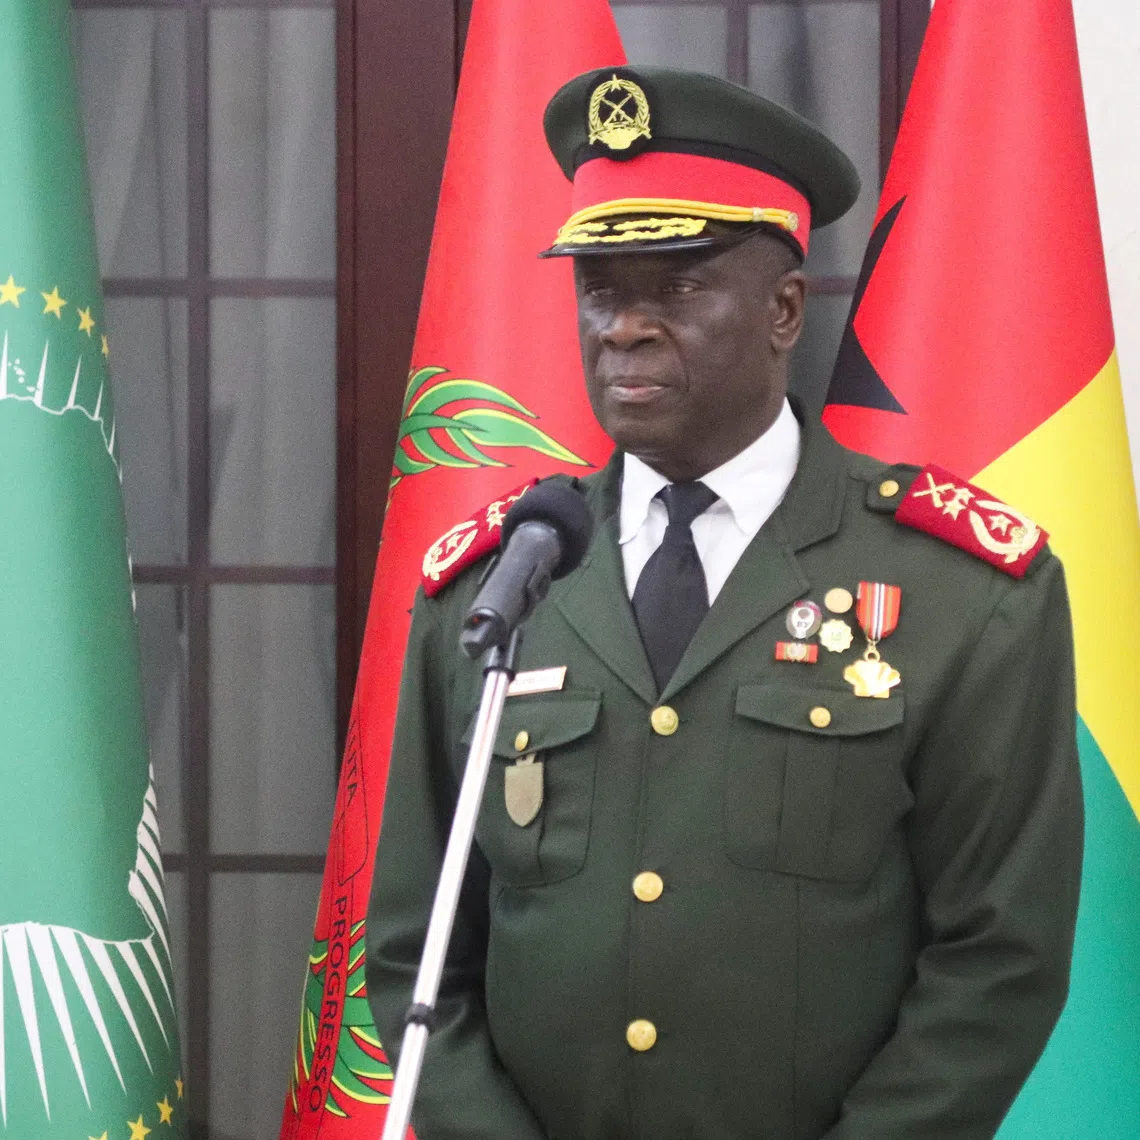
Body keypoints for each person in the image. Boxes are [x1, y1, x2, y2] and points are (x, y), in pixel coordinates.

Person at [366, 66, 1083, 1140]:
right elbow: (415, 953)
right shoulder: (500, 581)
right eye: (601, 289)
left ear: (785, 308)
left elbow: (998, 960)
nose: (625, 328)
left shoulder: (962, 593)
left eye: (680, 285)